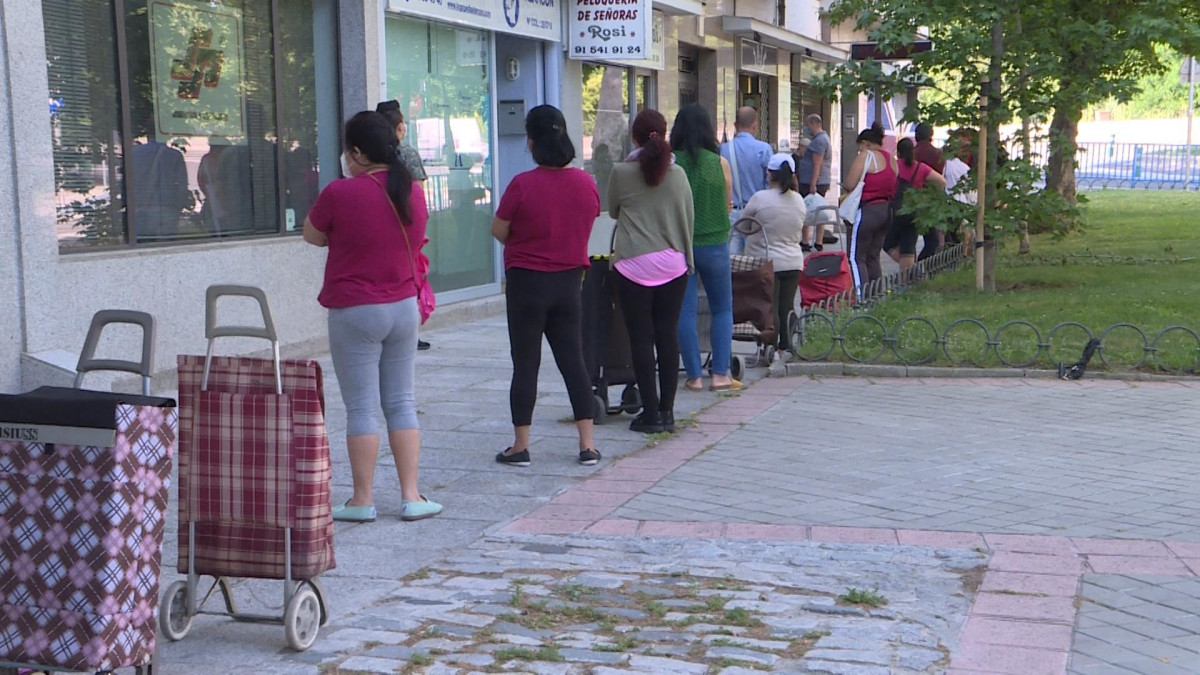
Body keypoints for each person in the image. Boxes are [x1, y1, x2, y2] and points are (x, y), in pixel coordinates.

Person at [302, 111, 442, 523]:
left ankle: (362, 500)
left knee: (361, 407)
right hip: (403, 308)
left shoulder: (340, 194)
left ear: (358, 153)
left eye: (347, 151)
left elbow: (312, 234)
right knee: (401, 402)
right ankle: (412, 495)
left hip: (355, 310)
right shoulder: (412, 191)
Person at [492, 105, 601, 467]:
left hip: (526, 283)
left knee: (525, 363)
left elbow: (499, 230)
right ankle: (587, 445)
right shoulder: (586, 184)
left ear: (532, 141)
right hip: (569, 282)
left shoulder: (523, 184)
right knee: (574, 361)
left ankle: (520, 445)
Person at [607, 109, 695, 434]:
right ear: (664, 132)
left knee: (640, 339)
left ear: (634, 137)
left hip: (633, 264)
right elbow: (688, 216)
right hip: (672, 264)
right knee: (667, 335)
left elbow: (614, 209)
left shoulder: (621, 172)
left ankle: (650, 414)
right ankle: (668, 411)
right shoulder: (680, 175)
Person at [671, 103, 741, 393]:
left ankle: (694, 376)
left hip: (681, 244)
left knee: (684, 310)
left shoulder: (673, 164)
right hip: (715, 243)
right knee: (722, 308)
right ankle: (721, 374)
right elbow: (728, 205)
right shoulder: (719, 162)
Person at [377, 100, 433, 351]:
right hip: (406, 224)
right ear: (400, 127)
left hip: (378, 223)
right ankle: (408, 331)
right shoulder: (407, 153)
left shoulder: (371, 155)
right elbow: (419, 192)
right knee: (410, 277)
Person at [741, 153, 807, 358]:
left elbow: (744, 226)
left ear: (769, 174)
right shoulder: (799, 200)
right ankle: (788, 345)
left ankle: (769, 347)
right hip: (794, 261)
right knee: (787, 305)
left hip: (767, 262)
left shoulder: (760, 198)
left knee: (770, 307)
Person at [843, 122, 898, 290]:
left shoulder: (867, 156)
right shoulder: (891, 159)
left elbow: (850, 183)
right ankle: (876, 295)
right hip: (886, 211)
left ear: (866, 143)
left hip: (868, 211)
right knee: (873, 256)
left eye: (860, 147)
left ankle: (861, 299)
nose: (860, 151)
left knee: (856, 257)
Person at [884, 138, 947, 273]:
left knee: (888, 243)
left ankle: (911, 270)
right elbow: (942, 181)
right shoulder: (921, 167)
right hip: (914, 210)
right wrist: (926, 194)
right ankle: (909, 278)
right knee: (908, 245)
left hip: (896, 210)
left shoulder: (894, 165)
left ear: (898, 152)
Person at [720, 106, 771, 218]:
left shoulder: (722, 149)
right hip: (756, 213)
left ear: (735, 125)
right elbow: (770, 183)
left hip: (730, 214)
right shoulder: (764, 149)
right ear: (755, 125)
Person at [796, 114, 833, 198]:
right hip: (815, 181)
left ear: (814, 124)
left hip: (813, 183)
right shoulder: (820, 138)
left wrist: (813, 184)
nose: (807, 128)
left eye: (808, 125)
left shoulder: (819, 141)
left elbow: (817, 163)